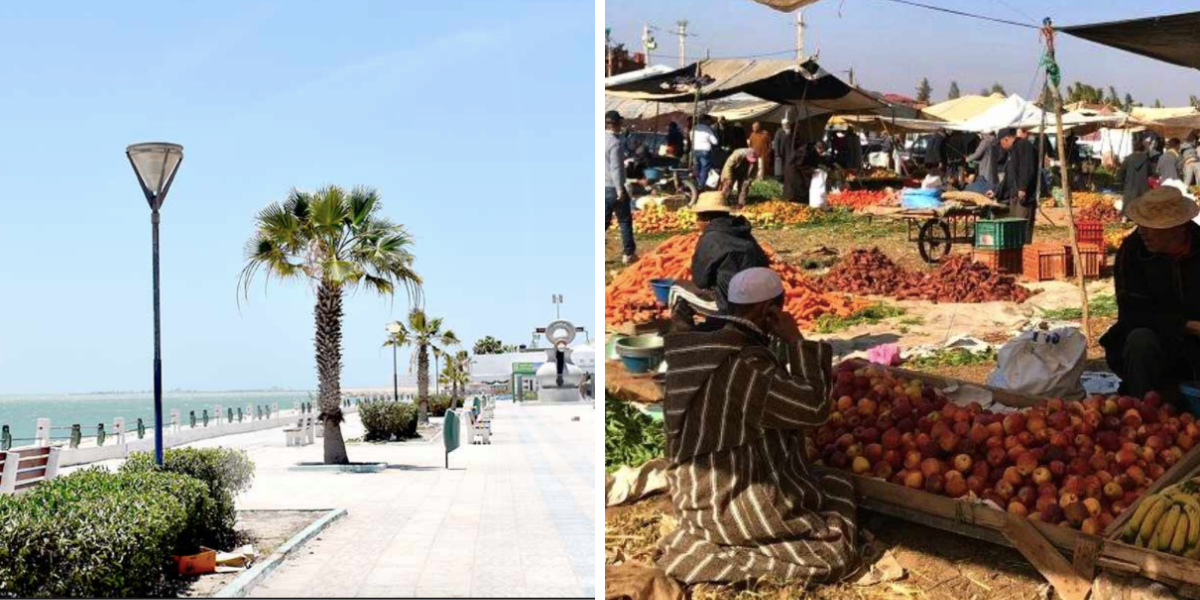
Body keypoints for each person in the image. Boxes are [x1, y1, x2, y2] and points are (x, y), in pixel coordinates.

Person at [658, 267, 857, 586]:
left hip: (691, 496)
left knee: (832, 481)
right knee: (833, 552)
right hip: (725, 503)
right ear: (771, 311)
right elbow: (814, 409)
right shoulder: (746, 366)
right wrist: (796, 341)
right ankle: (730, 551)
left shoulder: (700, 346)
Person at [1100, 186, 1200, 404]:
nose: (1142, 231)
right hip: (1158, 341)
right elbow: (1132, 314)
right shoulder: (1132, 251)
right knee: (1140, 340)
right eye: (1141, 224)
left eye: (1151, 226)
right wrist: (1187, 325)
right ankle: (1142, 411)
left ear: (1177, 227)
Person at [689, 192, 770, 312]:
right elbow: (764, 262)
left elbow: (700, 281)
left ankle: (694, 327)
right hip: (760, 300)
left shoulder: (711, 238)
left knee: (678, 290)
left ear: (706, 220)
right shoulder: (741, 231)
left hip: (732, 304)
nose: (697, 222)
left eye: (698, 218)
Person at [992, 127, 1038, 241]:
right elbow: (1009, 176)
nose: (1001, 146)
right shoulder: (1012, 151)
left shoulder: (1024, 145)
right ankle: (1016, 254)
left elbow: (1028, 168)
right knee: (1014, 227)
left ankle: (1024, 253)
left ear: (1006, 139)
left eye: (1001, 142)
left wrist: (1023, 187)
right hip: (1014, 196)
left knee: (1022, 226)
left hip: (1023, 196)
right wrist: (996, 192)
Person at [604, 110, 636, 264]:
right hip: (612, 187)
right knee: (624, 220)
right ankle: (628, 254)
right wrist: (619, 190)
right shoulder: (614, 143)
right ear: (616, 124)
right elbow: (615, 168)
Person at [1118, 138, 1151, 212]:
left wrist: (1122, 183)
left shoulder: (1128, 159)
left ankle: (1125, 219)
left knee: (1128, 207)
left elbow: (1121, 172)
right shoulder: (1146, 159)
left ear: (1133, 148)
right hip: (1143, 187)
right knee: (1141, 208)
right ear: (1143, 149)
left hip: (1130, 187)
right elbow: (1150, 172)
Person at [691, 116, 720, 190]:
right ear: (706, 121)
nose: (710, 123)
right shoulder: (708, 129)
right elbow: (715, 142)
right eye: (709, 121)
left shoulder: (694, 128)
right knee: (705, 168)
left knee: (697, 167)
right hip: (705, 151)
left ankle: (696, 184)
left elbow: (691, 138)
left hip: (695, 150)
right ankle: (701, 185)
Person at [773, 116, 792, 180]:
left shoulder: (790, 132)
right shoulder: (779, 132)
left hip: (788, 152)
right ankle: (779, 179)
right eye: (785, 124)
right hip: (781, 153)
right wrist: (777, 154)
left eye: (788, 124)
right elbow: (776, 143)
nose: (787, 125)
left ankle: (786, 177)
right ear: (782, 125)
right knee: (779, 167)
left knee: (787, 165)